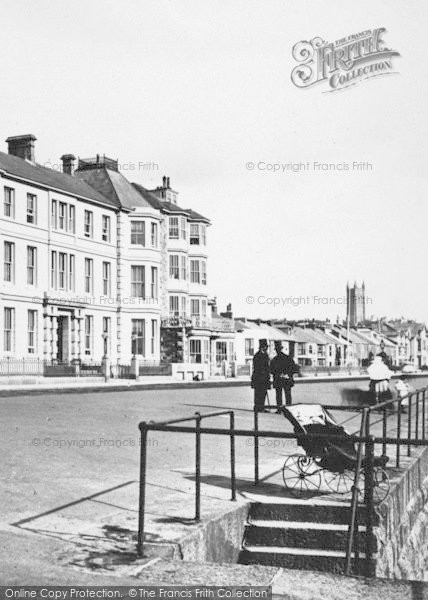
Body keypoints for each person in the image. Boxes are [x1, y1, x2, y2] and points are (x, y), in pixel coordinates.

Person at [270, 340, 297, 411]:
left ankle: (282, 409)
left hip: (282, 379)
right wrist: (286, 374)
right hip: (283, 379)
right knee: (285, 395)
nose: (277, 351)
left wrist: (284, 374)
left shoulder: (276, 359)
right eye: (277, 350)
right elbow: (272, 370)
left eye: (278, 349)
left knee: (282, 395)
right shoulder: (286, 358)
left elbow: (293, 368)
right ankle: (286, 409)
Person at [251, 339, 271, 411]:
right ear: (262, 347)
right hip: (258, 378)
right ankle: (257, 407)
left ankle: (261, 407)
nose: (266, 348)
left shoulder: (266, 355)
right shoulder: (257, 355)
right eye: (265, 347)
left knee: (263, 393)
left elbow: (267, 367)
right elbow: (257, 367)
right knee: (258, 393)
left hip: (264, 378)